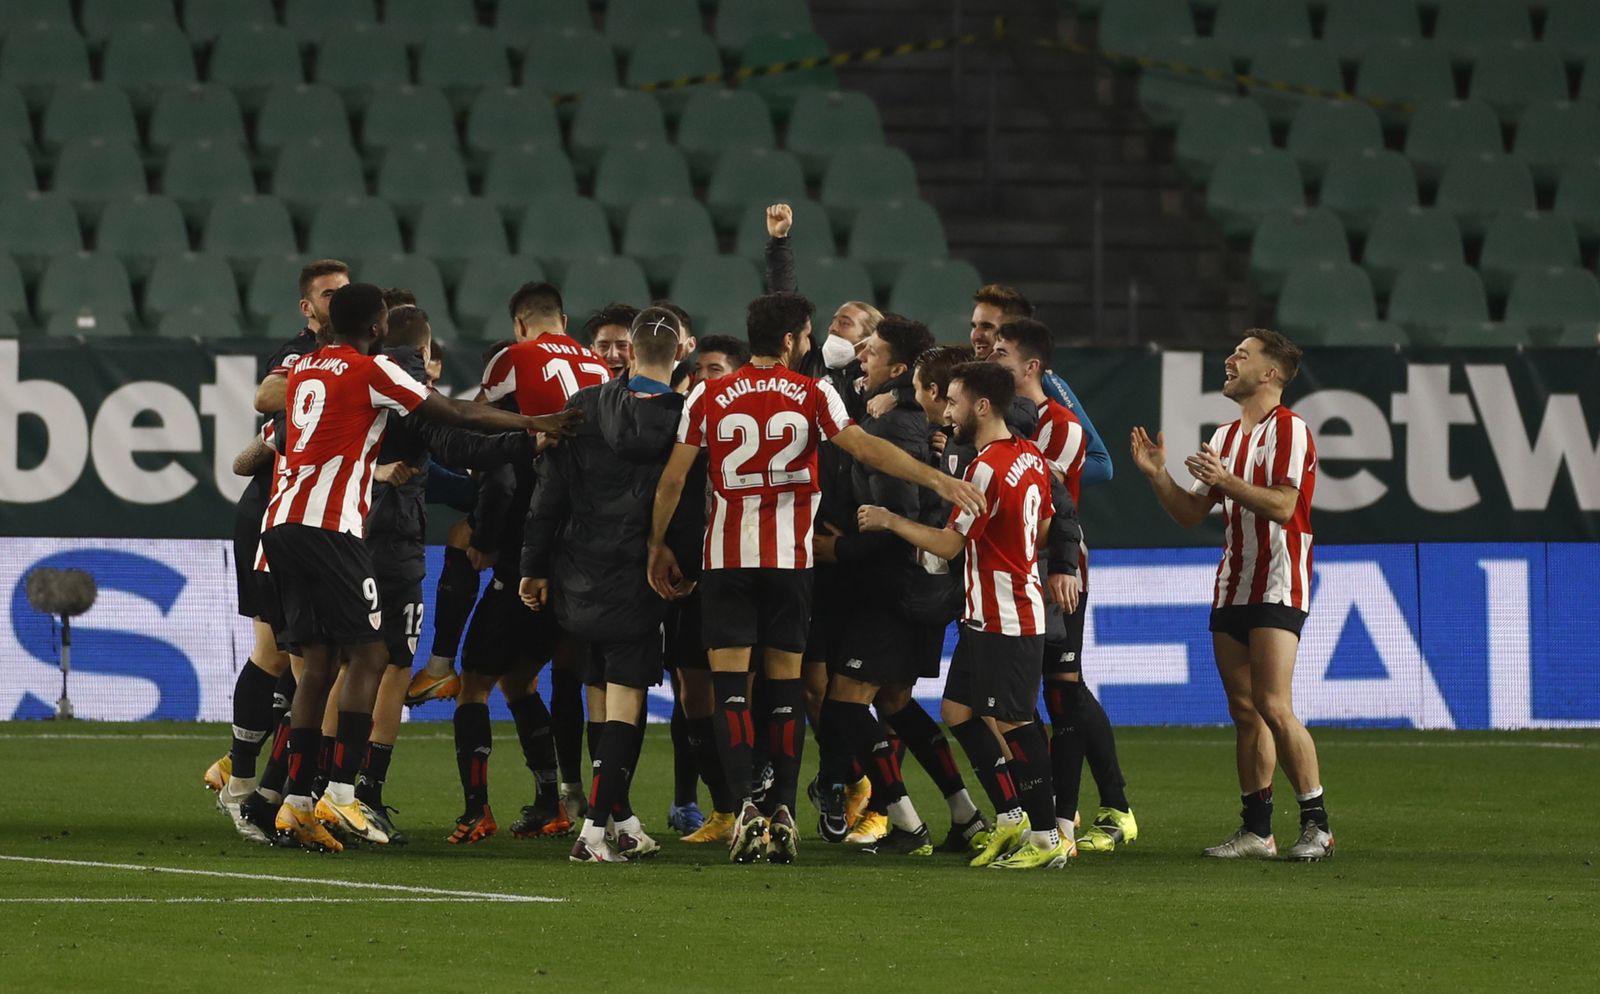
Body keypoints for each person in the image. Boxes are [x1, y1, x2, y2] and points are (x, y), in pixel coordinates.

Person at [647, 291, 985, 864]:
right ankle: (781, 808)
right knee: (785, 689)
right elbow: (868, 451)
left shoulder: (707, 392)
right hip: (790, 565)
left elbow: (676, 480)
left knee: (732, 691)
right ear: (788, 340)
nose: (809, 343)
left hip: (727, 560)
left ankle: (742, 811)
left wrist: (655, 544)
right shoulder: (812, 392)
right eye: (804, 336)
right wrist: (937, 480)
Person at [260, 283, 576, 852]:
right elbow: (454, 414)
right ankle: (338, 791)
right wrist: (535, 425)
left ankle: (297, 803)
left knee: (318, 662)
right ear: (378, 328)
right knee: (373, 654)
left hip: (280, 522)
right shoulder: (371, 370)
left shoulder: (306, 367)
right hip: (331, 526)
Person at [858, 361, 1080, 870]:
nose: (948, 410)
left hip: (1006, 614)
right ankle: (1010, 821)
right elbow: (1046, 525)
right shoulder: (1028, 456)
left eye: (955, 401)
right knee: (958, 712)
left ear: (982, 406)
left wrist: (891, 520)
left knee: (1017, 722)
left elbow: (951, 544)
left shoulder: (985, 467)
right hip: (991, 611)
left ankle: (1047, 839)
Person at [1129, 330, 1333, 862]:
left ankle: (1317, 824)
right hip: (1232, 582)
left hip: (1278, 580)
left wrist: (1229, 480)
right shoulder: (1222, 437)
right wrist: (1158, 477)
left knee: (1272, 704)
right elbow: (1192, 513)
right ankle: (1257, 831)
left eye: (1242, 355)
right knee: (1245, 712)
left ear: (1270, 373)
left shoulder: (1291, 431)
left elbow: (1285, 507)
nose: (1229, 359)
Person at [521, 307, 690, 863]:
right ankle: (594, 831)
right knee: (625, 700)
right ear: (679, 354)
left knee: (599, 691)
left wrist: (534, 566)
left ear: (632, 352)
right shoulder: (685, 419)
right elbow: (687, 504)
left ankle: (622, 821)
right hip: (640, 576)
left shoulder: (585, 407)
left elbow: (549, 494)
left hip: (578, 572)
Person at [445, 283, 611, 845]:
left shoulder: (513, 358)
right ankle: (562, 799)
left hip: (530, 545)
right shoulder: (599, 364)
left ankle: (476, 810)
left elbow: (478, 426)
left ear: (521, 323)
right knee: (541, 679)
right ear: (564, 319)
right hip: (590, 551)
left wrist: (485, 523)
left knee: (475, 684)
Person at [209, 259, 348, 841]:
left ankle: (262, 787)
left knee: (312, 662)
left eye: (345, 293)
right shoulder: (298, 354)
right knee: (280, 653)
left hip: (320, 523)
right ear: (307, 307)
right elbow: (267, 394)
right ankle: (249, 787)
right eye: (326, 294)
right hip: (273, 515)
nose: (336, 302)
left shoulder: (360, 361)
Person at [990, 318, 1137, 854]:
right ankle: (1042, 818)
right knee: (1024, 697)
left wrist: (1065, 563)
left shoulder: (1061, 425)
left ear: (1031, 367)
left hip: (1054, 572)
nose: (992, 357)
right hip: (1012, 573)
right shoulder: (1000, 416)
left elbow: (1051, 497)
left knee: (1062, 692)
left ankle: (1064, 822)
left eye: (1002, 352)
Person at [967, 284, 1112, 487]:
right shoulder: (966, 379)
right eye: (974, 326)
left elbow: (1101, 464)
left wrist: (1025, 473)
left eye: (987, 327)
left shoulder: (1046, 383)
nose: (976, 335)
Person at [586, 302, 639, 379]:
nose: (612, 355)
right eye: (603, 346)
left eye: (622, 346)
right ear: (592, 351)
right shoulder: (578, 389)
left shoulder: (656, 389)